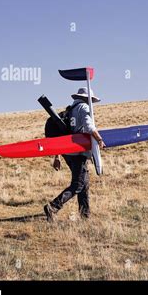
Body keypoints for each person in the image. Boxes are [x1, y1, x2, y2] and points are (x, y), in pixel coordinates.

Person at [44, 87, 105, 222]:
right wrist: (99, 139)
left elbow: (62, 133)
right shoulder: (83, 107)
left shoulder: (70, 109)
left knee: (84, 183)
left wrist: (57, 156)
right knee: (77, 184)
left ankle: (85, 215)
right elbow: (89, 127)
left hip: (68, 153)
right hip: (79, 153)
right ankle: (53, 206)